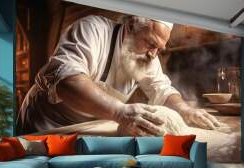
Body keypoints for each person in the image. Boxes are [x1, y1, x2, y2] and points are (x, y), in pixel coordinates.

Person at [17, 15, 222, 136]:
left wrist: (186, 110)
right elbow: (67, 80)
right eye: (151, 43)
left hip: (86, 130)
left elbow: (163, 90)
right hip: (45, 127)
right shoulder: (92, 29)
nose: (154, 54)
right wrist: (120, 112)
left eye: (160, 48)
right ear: (132, 24)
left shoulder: (149, 57)